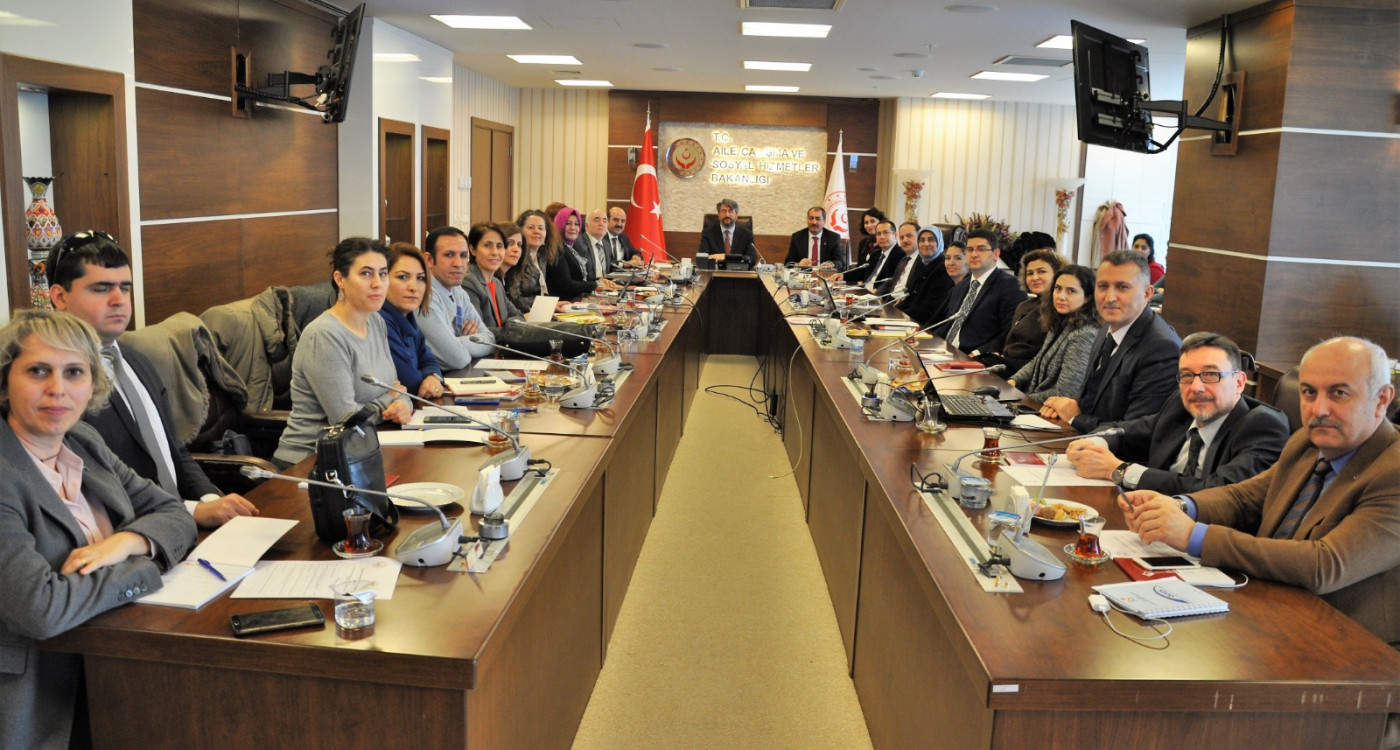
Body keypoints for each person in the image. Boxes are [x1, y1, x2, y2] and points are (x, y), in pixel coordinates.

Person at [1119, 336, 1400, 646]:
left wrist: (1192, 536)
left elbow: (1326, 564)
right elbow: (1246, 497)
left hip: (1348, 645)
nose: (1319, 409)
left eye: (1339, 393)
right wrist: (1180, 507)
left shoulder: (1393, 469)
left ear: (1382, 399)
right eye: (1309, 392)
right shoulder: (1307, 442)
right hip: (1269, 607)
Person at [0, 309, 196, 749]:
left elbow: (174, 513)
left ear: (93, 383)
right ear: (4, 378)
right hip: (43, 699)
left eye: (74, 372)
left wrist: (125, 543)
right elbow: (39, 609)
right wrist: (142, 567)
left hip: (118, 667)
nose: (57, 389)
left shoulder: (83, 441)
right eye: (37, 371)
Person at [46, 230, 257, 529]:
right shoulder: (56, 388)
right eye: (101, 289)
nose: (119, 300)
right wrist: (192, 512)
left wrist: (210, 500)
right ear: (59, 297)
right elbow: (92, 491)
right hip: (131, 536)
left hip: (188, 525)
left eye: (125, 287)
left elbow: (174, 450)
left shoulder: (138, 360)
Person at [1067, 332, 1290, 494]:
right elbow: (1127, 431)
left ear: (1239, 382)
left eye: (1211, 375)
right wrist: (1097, 443)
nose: (1196, 387)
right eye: (1186, 376)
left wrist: (1120, 471)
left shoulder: (1263, 426)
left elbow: (1217, 491)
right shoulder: (1180, 408)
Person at [274, 238, 412, 467]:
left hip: (362, 449)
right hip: (311, 461)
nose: (378, 283)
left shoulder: (376, 321)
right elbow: (345, 419)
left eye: (383, 274)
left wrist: (404, 404)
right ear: (340, 279)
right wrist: (390, 400)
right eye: (366, 274)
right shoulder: (325, 335)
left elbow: (397, 388)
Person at [1040, 251, 1181, 432]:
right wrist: (1066, 404)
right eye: (1103, 286)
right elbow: (1091, 391)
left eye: (1122, 287)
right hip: (1086, 439)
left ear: (1147, 293)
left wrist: (1076, 418)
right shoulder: (1108, 325)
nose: (1110, 298)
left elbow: (1137, 432)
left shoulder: (1161, 349)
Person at [1006, 265, 1100, 403]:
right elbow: (1038, 361)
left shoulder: (1085, 334)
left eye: (1071, 291)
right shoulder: (1060, 322)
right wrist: (1014, 380)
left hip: (1051, 412)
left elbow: (1065, 392)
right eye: (1058, 288)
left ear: (1087, 298)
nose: (1061, 296)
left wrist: (1020, 399)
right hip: (1034, 401)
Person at [931, 229, 1024, 357]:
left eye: (981, 249)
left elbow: (1010, 331)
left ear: (996, 254)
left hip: (973, 357)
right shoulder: (961, 286)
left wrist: (979, 352)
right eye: (969, 250)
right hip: (944, 350)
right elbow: (948, 323)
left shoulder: (1010, 286)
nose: (974, 254)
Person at [419, 226, 496, 371]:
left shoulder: (457, 290)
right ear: (429, 260)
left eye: (463, 255)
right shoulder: (424, 294)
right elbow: (456, 358)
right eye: (449, 255)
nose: (458, 263)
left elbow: (490, 340)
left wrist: (455, 343)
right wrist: (459, 346)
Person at [977, 248, 1064, 373]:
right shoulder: (1024, 305)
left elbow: (1045, 352)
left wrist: (1006, 360)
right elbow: (1005, 336)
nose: (1035, 277)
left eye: (1042, 271)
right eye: (1030, 273)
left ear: (1057, 274)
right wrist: (994, 351)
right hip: (1005, 362)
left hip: (1027, 369)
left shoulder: (1058, 308)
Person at [379, 243, 444, 399]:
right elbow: (410, 382)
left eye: (421, 278)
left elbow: (429, 359)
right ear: (382, 279)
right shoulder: (380, 320)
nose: (414, 287)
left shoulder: (407, 318)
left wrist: (432, 377)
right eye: (403, 277)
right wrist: (426, 379)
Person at [464, 222, 525, 338]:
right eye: (487, 245)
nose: (495, 252)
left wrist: (507, 327)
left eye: (499, 246)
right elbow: (477, 329)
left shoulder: (496, 283)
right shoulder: (468, 281)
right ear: (472, 249)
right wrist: (510, 330)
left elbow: (518, 316)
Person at [896, 224, 954, 327]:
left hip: (925, 326)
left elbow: (929, 308)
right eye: (922, 240)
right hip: (910, 320)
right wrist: (894, 311)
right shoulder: (920, 263)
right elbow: (909, 297)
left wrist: (900, 316)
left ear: (939, 242)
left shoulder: (943, 267)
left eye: (931, 239)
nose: (925, 244)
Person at [545, 206, 604, 301]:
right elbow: (566, 285)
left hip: (576, 302)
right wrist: (596, 285)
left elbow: (581, 278)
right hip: (563, 306)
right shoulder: (556, 249)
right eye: (568, 223)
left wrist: (600, 281)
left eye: (576, 224)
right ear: (559, 224)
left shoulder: (571, 247)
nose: (573, 228)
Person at [507, 209, 552, 312]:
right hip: (522, 316)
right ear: (520, 231)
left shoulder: (542, 259)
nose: (536, 231)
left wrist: (552, 306)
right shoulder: (515, 258)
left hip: (539, 313)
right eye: (530, 227)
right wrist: (545, 307)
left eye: (541, 228)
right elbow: (513, 298)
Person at [839, 219, 900, 291]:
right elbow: (862, 271)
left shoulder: (900, 255)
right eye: (878, 234)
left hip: (878, 295)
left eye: (886, 232)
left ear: (895, 235)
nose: (882, 237)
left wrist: (879, 291)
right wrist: (843, 275)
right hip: (864, 291)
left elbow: (893, 281)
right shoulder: (876, 253)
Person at [698, 198, 756, 265]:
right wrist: (738, 258)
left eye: (730, 211)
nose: (727, 215)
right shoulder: (708, 233)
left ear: (736, 215)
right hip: (715, 273)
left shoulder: (747, 234)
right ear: (718, 215)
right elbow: (702, 258)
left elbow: (752, 259)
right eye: (723, 211)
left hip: (738, 273)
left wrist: (723, 257)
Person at [877, 221, 921, 297]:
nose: (905, 240)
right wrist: (875, 297)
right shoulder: (904, 259)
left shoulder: (923, 261)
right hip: (890, 302)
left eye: (909, 236)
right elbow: (892, 281)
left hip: (903, 305)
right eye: (901, 237)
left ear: (919, 237)